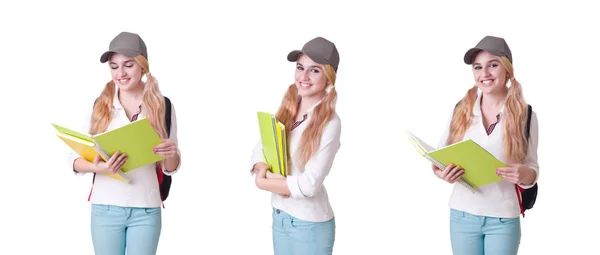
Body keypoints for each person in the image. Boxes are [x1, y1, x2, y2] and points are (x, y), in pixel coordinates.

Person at [68, 31, 182, 255]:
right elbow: (75, 160)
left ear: (142, 66)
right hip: (105, 208)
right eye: (114, 66)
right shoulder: (101, 105)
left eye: (128, 65)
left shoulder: (163, 106)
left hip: (146, 209)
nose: (120, 73)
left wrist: (170, 152)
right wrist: (99, 167)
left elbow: (171, 168)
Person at [433, 35, 539, 254]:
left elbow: (532, 169)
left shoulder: (525, 115)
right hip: (462, 216)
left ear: (507, 70)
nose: (485, 74)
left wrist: (523, 175)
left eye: (493, 65)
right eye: (478, 67)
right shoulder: (460, 109)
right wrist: (442, 172)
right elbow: (438, 158)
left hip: (503, 218)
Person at [250, 36, 342, 255]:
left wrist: (264, 183)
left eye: (315, 70)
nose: (304, 76)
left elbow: (309, 185)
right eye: (301, 67)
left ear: (329, 78)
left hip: (309, 226)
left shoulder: (330, 123)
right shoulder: (287, 109)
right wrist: (262, 170)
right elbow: (259, 149)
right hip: (280, 218)